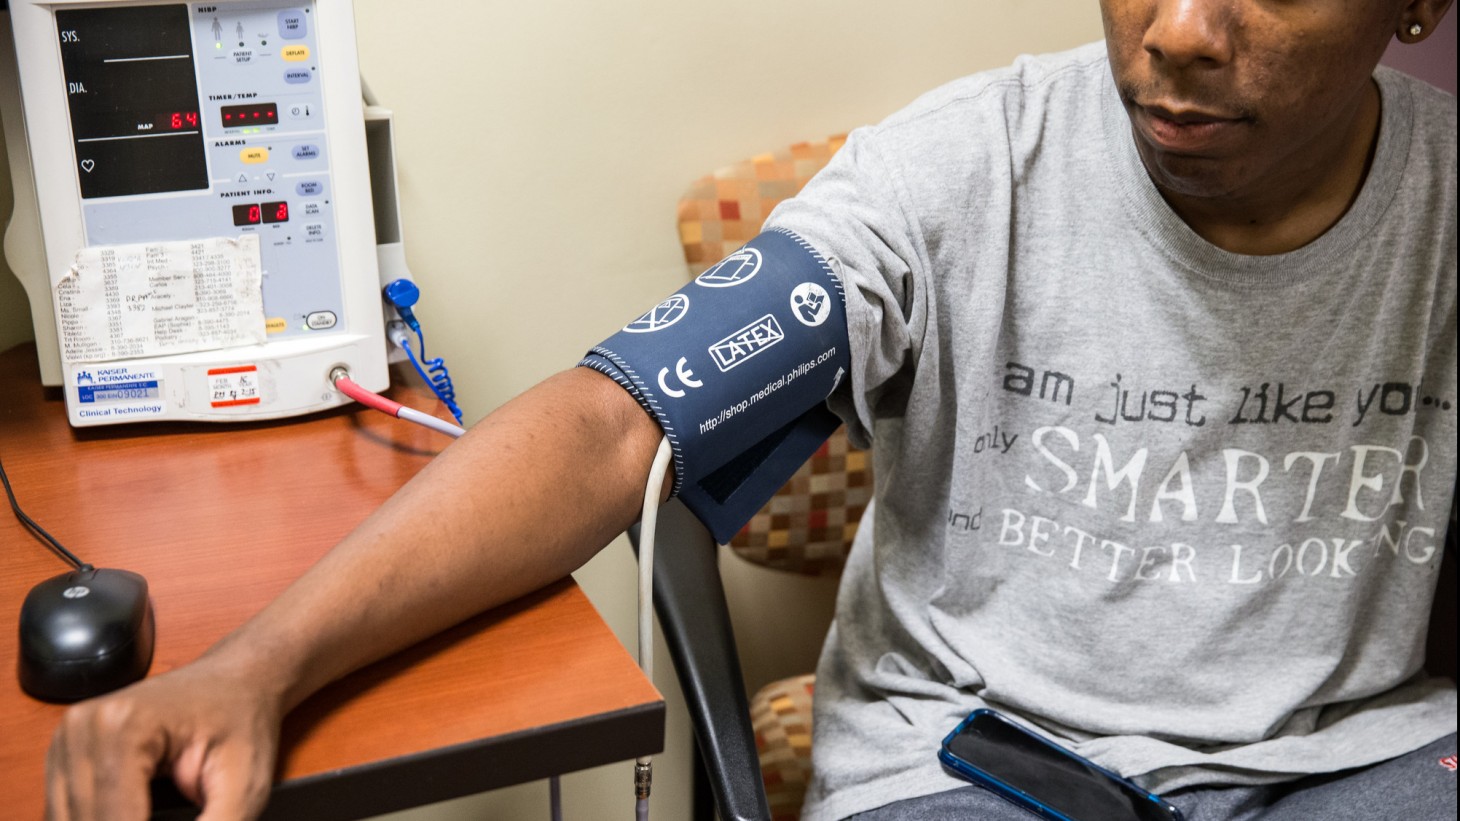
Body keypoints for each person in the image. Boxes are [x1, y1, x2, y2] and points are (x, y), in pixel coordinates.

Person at [45, 1, 1457, 819]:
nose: (1179, 32)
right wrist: (256, 661)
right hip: (991, 761)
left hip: (1349, 765)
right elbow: (612, 423)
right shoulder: (963, 173)